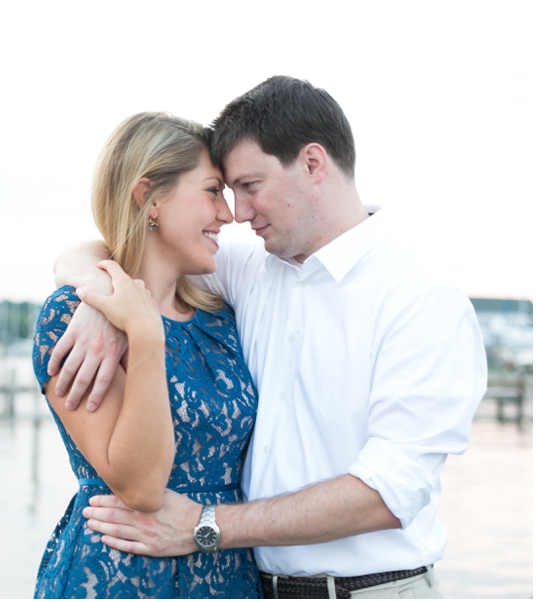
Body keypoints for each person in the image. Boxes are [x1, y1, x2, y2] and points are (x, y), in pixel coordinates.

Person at [49, 76, 488, 599]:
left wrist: (206, 525)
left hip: (372, 591)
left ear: (312, 163)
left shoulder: (420, 300)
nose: (238, 212)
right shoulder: (246, 268)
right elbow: (129, 245)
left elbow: (389, 494)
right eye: (227, 191)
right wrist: (103, 296)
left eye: (250, 186)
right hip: (249, 587)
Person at [31, 112, 263, 598]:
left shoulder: (221, 318)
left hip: (227, 575)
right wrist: (144, 332)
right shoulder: (69, 317)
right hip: (120, 576)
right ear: (149, 197)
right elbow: (140, 488)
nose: (228, 213)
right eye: (211, 190)